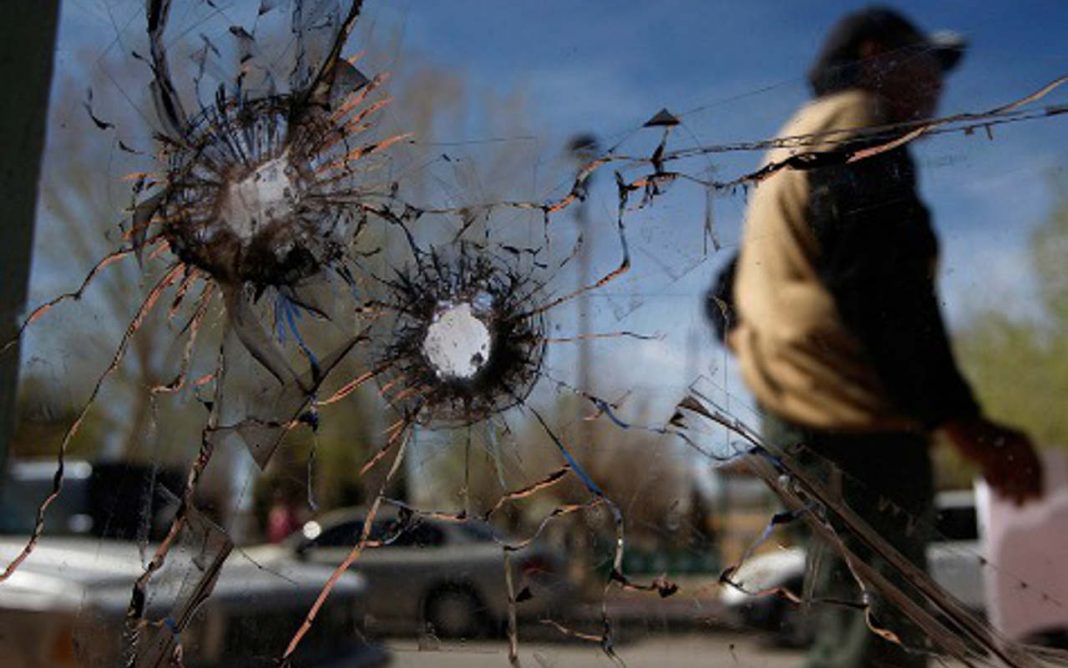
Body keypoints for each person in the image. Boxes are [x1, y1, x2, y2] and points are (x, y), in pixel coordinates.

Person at [729, 7, 1043, 667]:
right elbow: (883, 285)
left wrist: (765, 350)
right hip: (852, 425)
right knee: (877, 639)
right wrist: (962, 421)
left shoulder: (794, 143)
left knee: (854, 625)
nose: (939, 86)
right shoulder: (858, 126)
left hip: (804, 420)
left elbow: (728, 287)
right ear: (876, 57)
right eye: (929, 65)